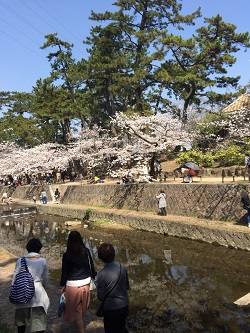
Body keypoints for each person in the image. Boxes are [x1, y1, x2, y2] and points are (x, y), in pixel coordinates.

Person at [60, 231, 96, 333]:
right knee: (81, 308)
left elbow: (65, 273)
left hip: (72, 286)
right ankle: (79, 325)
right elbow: (91, 267)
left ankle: (81, 330)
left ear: (69, 242)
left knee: (76, 310)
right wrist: (93, 276)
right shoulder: (87, 251)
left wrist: (62, 285)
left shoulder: (67, 255)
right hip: (86, 284)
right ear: (80, 240)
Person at [11, 238, 50, 333]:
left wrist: (14, 290)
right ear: (39, 249)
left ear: (27, 248)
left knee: (21, 323)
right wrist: (43, 287)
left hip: (21, 294)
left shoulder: (20, 260)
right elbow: (45, 278)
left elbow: (15, 278)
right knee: (39, 324)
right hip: (38, 294)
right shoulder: (42, 261)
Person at [96, 243, 129, 333]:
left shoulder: (102, 274)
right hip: (124, 305)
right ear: (114, 254)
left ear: (101, 257)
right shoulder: (122, 267)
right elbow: (127, 287)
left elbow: (100, 297)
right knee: (122, 328)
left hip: (110, 309)